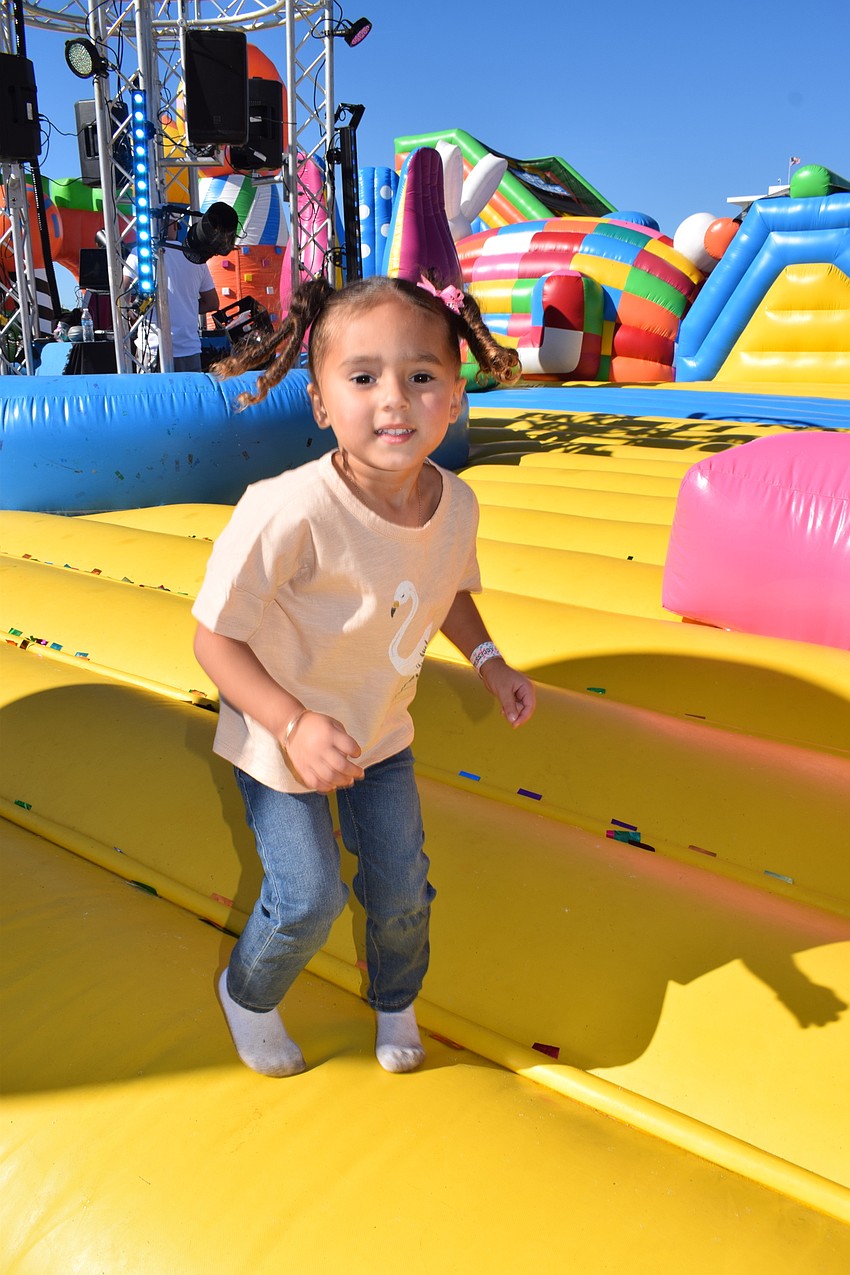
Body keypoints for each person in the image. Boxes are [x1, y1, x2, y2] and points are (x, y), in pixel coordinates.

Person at [191, 273, 536, 1078]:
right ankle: (248, 993)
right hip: (280, 736)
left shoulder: (457, 505)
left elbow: (443, 587)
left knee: (402, 890)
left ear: (456, 396)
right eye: (363, 377)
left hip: (378, 729)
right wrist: (292, 723)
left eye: (420, 376)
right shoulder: (288, 510)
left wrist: (489, 661)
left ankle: (396, 996)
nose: (394, 399)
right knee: (308, 897)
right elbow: (214, 640)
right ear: (320, 403)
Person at [123, 217, 219, 371]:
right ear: (174, 226)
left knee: (150, 388)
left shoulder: (140, 253)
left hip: (152, 347)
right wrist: (186, 307)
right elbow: (212, 303)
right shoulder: (195, 258)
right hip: (189, 348)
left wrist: (131, 310)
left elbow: (122, 289)